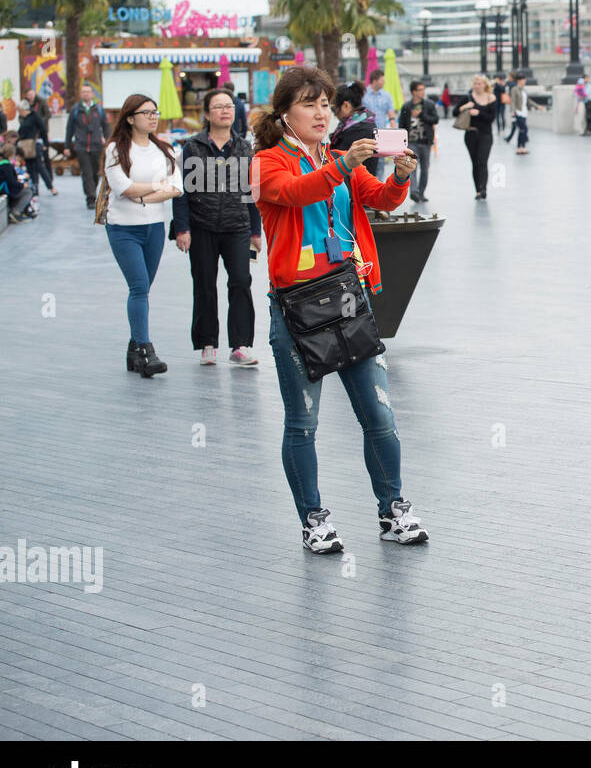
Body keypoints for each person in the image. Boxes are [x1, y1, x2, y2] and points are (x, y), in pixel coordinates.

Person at [252, 65, 429, 553]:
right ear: (285, 113)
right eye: (309, 103)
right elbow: (293, 194)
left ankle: (393, 509)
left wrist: (399, 178)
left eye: (325, 104)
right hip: (297, 309)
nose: (320, 112)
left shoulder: (335, 159)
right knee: (302, 424)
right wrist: (343, 165)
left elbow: (383, 201)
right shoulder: (267, 162)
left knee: (380, 415)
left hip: (349, 299)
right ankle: (313, 520)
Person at [173, 88, 261, 367]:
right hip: (201, 227)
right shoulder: (193, 146)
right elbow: (182, 191)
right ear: (207, 113)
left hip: (238, 227)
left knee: (240, 282)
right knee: (204, 285)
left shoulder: (245, 147)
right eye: (218, 106)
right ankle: (207, 344)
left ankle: (241, 345)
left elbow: (252, 191)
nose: (225, 111)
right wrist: (182, 228)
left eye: (229, 106)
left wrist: (255, 230)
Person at [104, 94, 184, 378]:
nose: (153, 116)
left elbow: (176, 187)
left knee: (143, 288)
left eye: (155, 112)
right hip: (123, 228)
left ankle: (133, 346)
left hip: (154, 228)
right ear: (129, 117)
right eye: (146, 112)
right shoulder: (116, 149)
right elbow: (122, 188)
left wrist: (145, 196)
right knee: (139, 287)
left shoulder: (166, 150)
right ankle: (146, 351)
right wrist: (155, 186)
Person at [66, 84, 110, 209]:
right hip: (81, 146)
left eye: (88, 92)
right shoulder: (76, 110)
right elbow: (69, 129)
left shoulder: (98, 109)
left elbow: (106, 126)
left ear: (92, 94)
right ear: (81, 94)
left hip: (96, 145)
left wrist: (108, 141)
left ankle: (93, 192)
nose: (86, 94)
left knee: (96, 172)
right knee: (87, 173)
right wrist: (67, 146)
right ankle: (90, 198)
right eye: (83, 91)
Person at [457, 74, 499, 200]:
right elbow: (455, 112)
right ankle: (477, 190)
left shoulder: (491, 98)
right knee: (475, 162)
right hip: (471, 133)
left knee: (482, 161)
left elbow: (491, 118)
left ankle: (483, 189)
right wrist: (464, 107)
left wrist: (478, 112)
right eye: (475, 83)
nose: (477, 86)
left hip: (485, 134)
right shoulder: (469, 97)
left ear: (485, 85)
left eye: (479, 83)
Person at [398, 79, 439, 202]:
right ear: (413, 92)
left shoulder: (429, 105)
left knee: (425, 168)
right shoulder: (406, 106)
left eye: (423, 89)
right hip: (411, 142)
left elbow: (435, 119)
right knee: (412, 166)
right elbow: (402, 124)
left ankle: (421, 192)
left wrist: (421, 115)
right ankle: (414, 192)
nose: (422, 92)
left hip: (425, 141)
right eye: (420, 90)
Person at [331, 81, 379, 178]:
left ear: (345, 106)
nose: (334, 114)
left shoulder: (355, 130)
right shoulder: (367, 122)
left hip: (356, 185)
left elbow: (340, 160)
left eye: (334, 109)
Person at [17, 100, 54, 197]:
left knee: (39, 166)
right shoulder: (22, 118)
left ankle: (50, 186)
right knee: (30, 167)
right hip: (26, 145)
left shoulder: (34, 116)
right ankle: (34, 188)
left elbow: (43, 129)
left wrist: (45, 143)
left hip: (35, 144)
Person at [2, 143, 36, 223]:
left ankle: (23, 210)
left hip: (6, 188)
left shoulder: (3, 164)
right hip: (6, 190)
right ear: (12, 155)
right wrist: (22, 185)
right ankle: (16, 212)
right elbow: (11, 182)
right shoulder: (7, 166)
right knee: (28, 191)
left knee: (26, 188)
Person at [506, 72, 531, 154]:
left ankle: (522, 147)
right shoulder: (514, 89)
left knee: (522, 130)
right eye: (524, 79)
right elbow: (512, 101)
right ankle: (519, 147)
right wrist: (512, 111)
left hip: (524, 112)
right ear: (519, 80)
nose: (525, 81)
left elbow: (528, 101)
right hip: (518, 112)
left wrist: (537, 106)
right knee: (524, 129)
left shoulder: (524, 90)